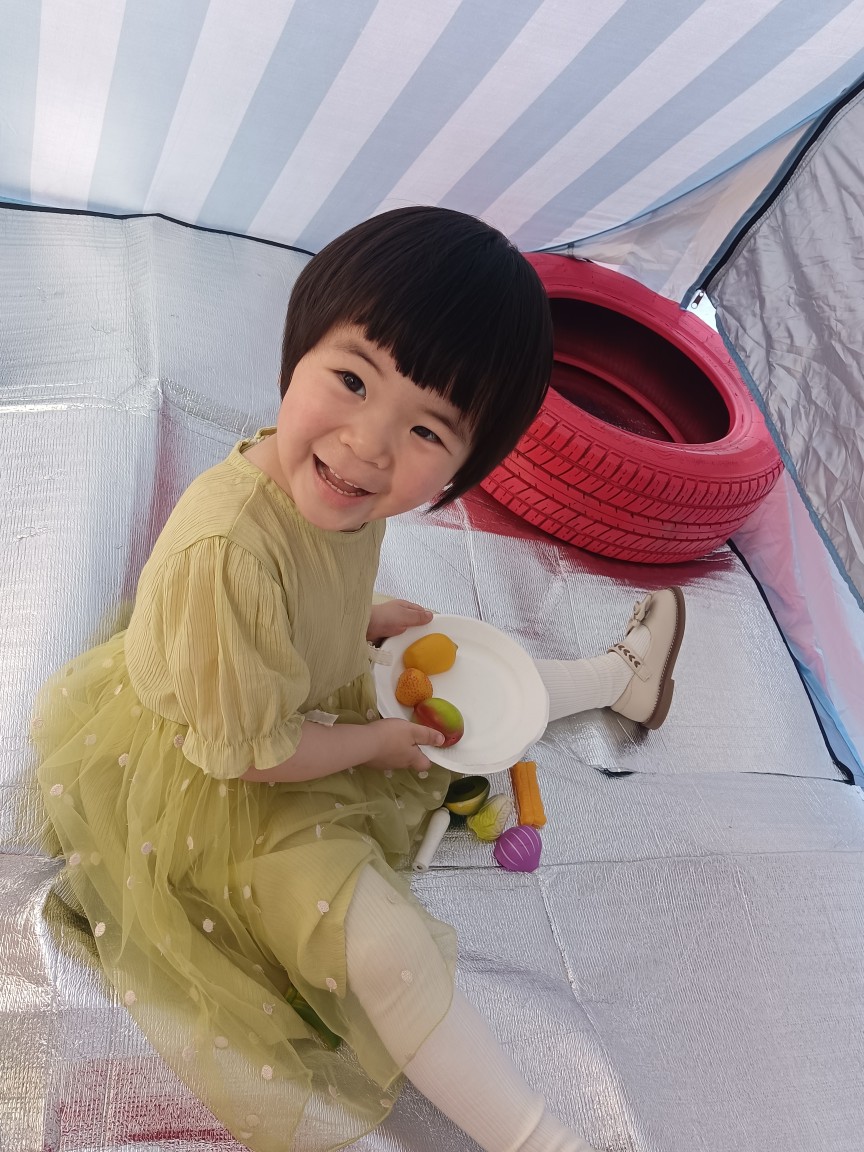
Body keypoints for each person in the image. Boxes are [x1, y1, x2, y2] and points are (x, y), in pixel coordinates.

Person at [33, 207, 685, 1152]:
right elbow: (253, 756)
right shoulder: (226, 555)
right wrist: (375, 743)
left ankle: (616, 679)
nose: (370, 444)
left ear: (463, 469)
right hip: (224, 779)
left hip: (295, 688)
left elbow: (305, 575)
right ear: (295, 351)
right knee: (388, 950)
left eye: (425, 430)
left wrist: (358, 615)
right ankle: (536, 1138)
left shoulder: (337, 489)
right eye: (351, 380)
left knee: (470, 677)